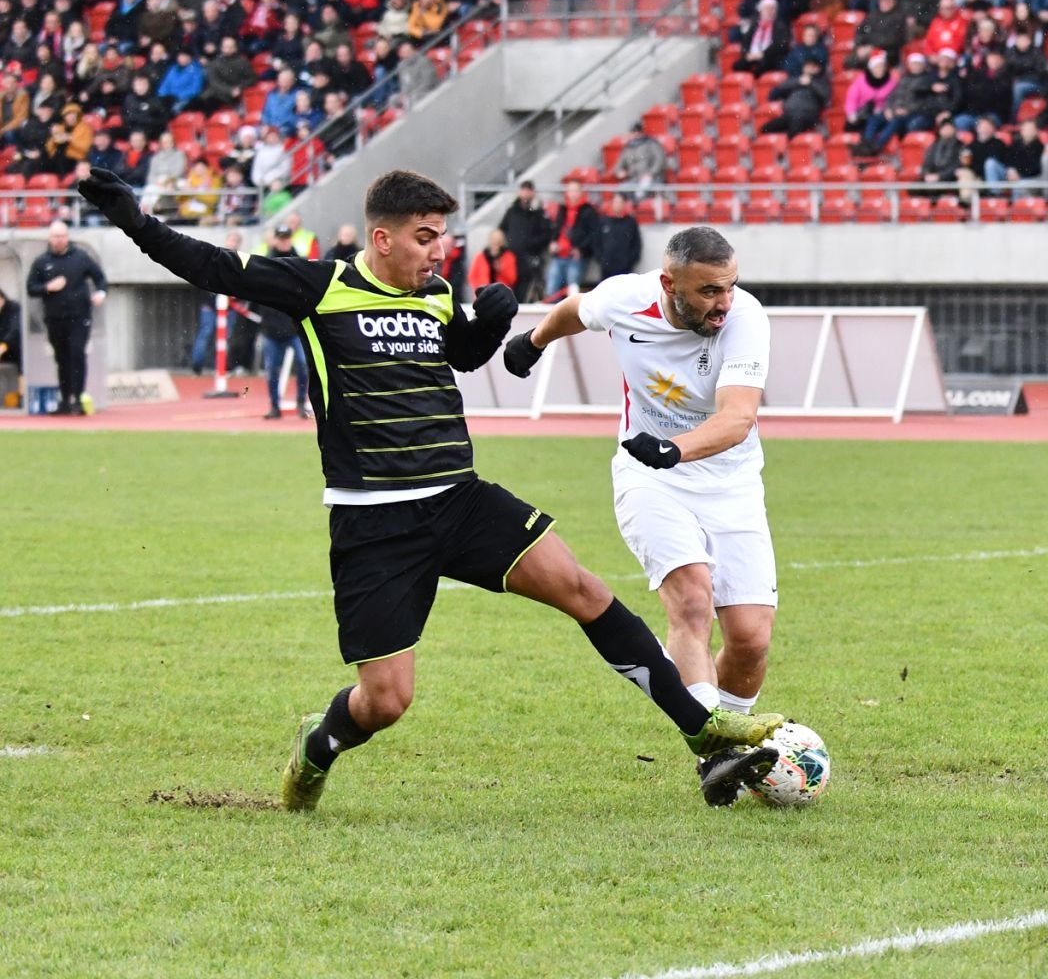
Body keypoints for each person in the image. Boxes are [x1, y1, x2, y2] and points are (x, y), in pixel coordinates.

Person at [71, 167, 784, 811]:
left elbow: (460, 356)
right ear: (381, 239)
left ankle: (702, 728)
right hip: (375, 522)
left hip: (461, 500)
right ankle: (317, 748)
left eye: (442, 236)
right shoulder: (320, 288)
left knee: (585, 590)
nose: (437, 251)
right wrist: (133, 220)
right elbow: (211, 266)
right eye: (424, 238)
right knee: (386, 701)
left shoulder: (437, 295)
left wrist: (492, 324)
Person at [499, 227, 784, 806]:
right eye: (707, 291)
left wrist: (677, 447)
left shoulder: (746, 318)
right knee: (692, 601)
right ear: (668, 283)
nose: (722, 303)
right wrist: (532, 341)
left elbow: (737, 418)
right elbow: (575, 310)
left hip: (729, 481)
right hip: (647, 476)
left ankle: (731, 737)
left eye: (729, 287)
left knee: (751, 639)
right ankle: (716, 753)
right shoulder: (626, 298)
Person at [26, 220, 109, 415]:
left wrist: (101, 293)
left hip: (79, 317)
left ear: (67, 237)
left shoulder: (81, 257)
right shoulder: (42, 261)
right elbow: (31, 288)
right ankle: (65, 399)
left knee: (77, 353)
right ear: (49, 238)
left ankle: (78, 398)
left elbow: (100, 278)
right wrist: (47, 287)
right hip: (55, 318)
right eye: (55, 236)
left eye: (62, 236)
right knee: (61, 358)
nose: (59, 240)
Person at [253, 224, 311, 421]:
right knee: (272, 370)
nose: (284, 242)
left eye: (287, 238)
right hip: (271, 328)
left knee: (304, 365)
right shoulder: (265, 263)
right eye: (281, 238)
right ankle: (275, 406)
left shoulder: (300, 263)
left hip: (295, 327)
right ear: (276, 239)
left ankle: (301, 403)